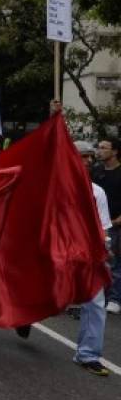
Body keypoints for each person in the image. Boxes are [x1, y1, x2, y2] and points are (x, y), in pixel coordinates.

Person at [72, 140, 112, 376]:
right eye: (82, 156)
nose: (87, 161)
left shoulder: (97, 191)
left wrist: (104, 251)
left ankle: (88, 354)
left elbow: (103, 228)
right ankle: (23, 316)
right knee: (44, 293)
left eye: (89, 157)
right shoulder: (54, 185)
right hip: (56, 252)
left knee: (96, 303)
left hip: (88, 254)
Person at [93, 137, 121, 314]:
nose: (99, 150)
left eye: (104, 148)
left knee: (116, 262)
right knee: (100, 261)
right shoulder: (96, 171)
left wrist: (117, 221)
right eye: (99, 147)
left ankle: (115, 299)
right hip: (98, 224)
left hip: (117, 224)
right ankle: (99, 294)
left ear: (115, 151)